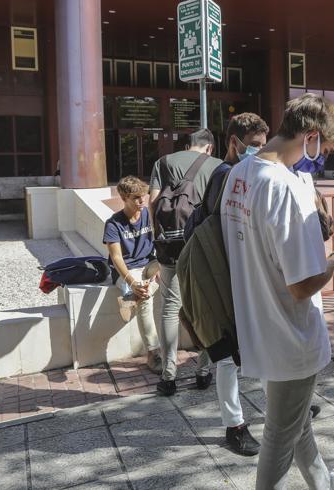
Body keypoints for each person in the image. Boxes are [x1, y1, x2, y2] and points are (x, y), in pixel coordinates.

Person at [221, 94, 334, 490]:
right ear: (311, 136)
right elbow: (302, 285)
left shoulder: (241, 172)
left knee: (296, 421)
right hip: (291, 334)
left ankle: (322, 481)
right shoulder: (284, 188)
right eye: (327, 150)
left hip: (257, 323)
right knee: (281, 434)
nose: (323, 160)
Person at [181, 113, 270, 456]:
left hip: (236, 276)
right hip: (220, 279)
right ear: (234, 142)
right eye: (254, 146)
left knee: (256, 347)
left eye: (264, 145)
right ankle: (234, 427)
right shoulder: (227, 174)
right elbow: (225, 235)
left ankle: (284, 406)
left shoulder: (239, 172)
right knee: (226, 357)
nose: (260, 152)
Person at [149, 129, 222, 393]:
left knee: (170, 308)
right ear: (209, 148)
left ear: (188, 145)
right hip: (204, 247)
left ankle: (168, 376)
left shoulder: (164, 162)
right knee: (204, 308)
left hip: (170, 246)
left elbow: (152, 203)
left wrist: (157, 239)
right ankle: (203, 372)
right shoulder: (218, 167)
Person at [104, 176, 161, 371]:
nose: (142, 201)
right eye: (136, 198)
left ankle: (131, 297)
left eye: (143, 196)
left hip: (148, 263)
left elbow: (159, 239)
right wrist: (132, 281)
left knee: (172, 271)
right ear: (124, 198)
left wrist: (161, 267)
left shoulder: (147, 214)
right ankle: (153, 352)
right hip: (126, 271)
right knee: (145, 297)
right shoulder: (113, 224)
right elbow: (116, 258)